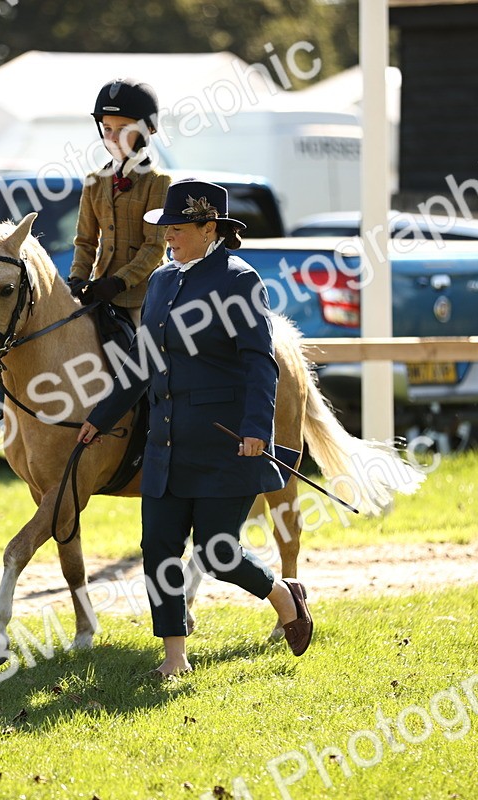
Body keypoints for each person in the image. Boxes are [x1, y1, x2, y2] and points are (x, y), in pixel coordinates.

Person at [77, 179, 313, 679]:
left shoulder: (240, 280)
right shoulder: (161, 280)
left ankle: (282, 594)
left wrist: (256, 428)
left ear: (211, 229)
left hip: (224, 443)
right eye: (166, 228)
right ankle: (174, 657)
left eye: (178, 228)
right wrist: (98, 419)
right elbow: (141, 363)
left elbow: (260, 363)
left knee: (218, 552)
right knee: (158, 547)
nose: (168, 237)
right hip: (165, 441)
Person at [68, 79, 172, 328]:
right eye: (107, 129)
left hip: (143, 293)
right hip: (100, 289)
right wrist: (77, 279)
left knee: (147, 351)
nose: (113, 137)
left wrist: (119, 281)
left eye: (123, 129)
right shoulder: (93, 181)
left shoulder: (158, 182)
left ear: (146, 130)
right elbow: (85, 241)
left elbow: (154, 246)